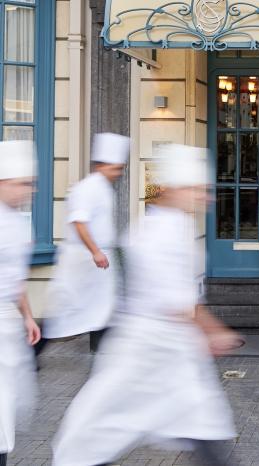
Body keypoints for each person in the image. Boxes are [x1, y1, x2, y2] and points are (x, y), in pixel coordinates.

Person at [53, 145, 240, 466]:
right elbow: (177, 302)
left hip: (173, 349)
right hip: (145, 348)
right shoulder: (157, 234)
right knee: (105, 426)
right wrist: (215, 331)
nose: (206, 198)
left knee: (203, 423)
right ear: (173, 189)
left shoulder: (176, 225)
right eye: (197, 190)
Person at [39, 133, 130, 354]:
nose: (118, 173)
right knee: (61, 316)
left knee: (103, 311)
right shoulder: (87, 188)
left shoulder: (105, 188)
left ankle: (103, 356)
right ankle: (33, 349)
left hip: (97, 264)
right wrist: (95, 251)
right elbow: (79, 222)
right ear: (101, 165)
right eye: (115, 168)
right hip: (83, 262)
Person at [0, 140, 41, 466]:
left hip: (7, 327)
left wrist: (27, 316)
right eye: (23, 183)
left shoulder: (19, 223)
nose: (30, 190)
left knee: (6, 408)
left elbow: (16, 280)